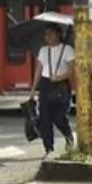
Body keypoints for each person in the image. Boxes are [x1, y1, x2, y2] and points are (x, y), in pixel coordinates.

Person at [32, 22, 76, 158]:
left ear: (58, 34)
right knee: (45, 117)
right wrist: (33, 88)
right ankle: (48, 148)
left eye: (50, 34)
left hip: (61, 84)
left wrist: (59, 77)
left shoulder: (67, 49)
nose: (47, 37)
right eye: (46, 34)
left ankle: (69, 136)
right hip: (46, 84)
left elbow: (73, 69)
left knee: (59, 116)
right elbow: (39, 69)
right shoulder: (43, 50)